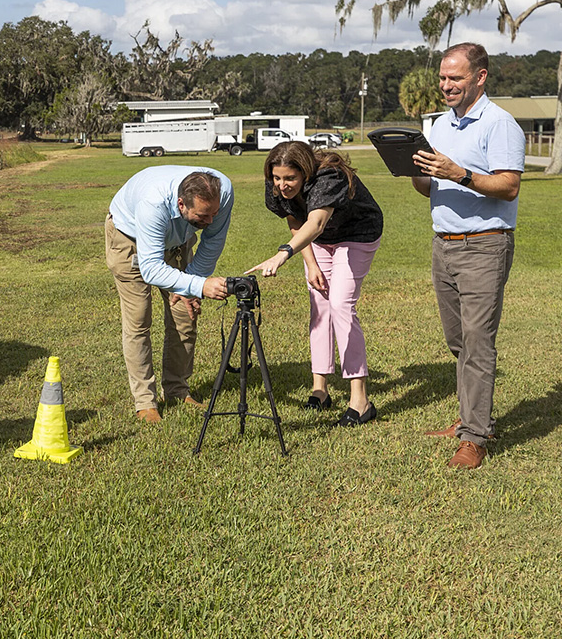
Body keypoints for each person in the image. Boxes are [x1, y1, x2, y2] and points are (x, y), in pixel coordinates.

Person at [412, 42, 523, 470]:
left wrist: (458, 173)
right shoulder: (440, 125)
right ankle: (471, 418)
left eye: (455, 78)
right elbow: (429, 186)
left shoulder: (500, 124)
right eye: (442, 78)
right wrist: (416, 171)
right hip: (443, 244)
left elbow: (508, 186)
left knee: (477, 342)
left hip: (484, 245)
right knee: (458, 341)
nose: (446, 85)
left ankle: (475, 436)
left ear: (480, 76)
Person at [246, 142, 383, 427]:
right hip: (320, 241)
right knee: (319, 306)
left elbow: (317, 222)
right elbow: (296, 220)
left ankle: (361, 401)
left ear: (305, 173)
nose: (282, 185)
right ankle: (320, 390)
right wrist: (311, 264)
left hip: (356, 233)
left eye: (290, 178)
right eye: (277, 178)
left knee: (341, 305)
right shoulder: (277, 184)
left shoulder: (329, 177)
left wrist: (283, 254)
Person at [106, 167, 232, 423]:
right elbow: (151, 269)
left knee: (185, 315)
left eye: (214, 213)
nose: (210, 221)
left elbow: (213, 240)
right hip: (130, 241)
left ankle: (177, 391)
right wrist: (200, 285)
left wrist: (192, 284)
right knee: (139, 319)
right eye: (202, 216)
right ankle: (145, 402)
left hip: (178, 244)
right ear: (181, 204)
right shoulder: (152, 202)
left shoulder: (224, 190)